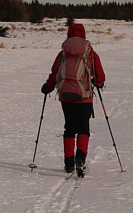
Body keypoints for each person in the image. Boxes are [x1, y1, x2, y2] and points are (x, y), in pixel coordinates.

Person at [41, 23, 105, 176]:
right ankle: (80, 159)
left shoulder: (63, 53)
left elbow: (55, 73)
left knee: (69, 128)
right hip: (85, 97)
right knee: (83, 128)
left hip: (66, 97)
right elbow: (100, 76)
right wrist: (98, 83)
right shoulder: (90, 53)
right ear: (83, 34)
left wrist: (48, 86)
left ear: (68, 33)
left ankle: (69, 164)